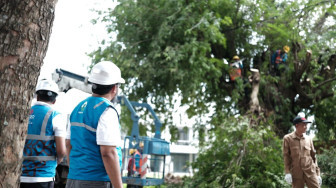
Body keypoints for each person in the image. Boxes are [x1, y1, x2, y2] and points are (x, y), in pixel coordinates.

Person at [65, 61, 124, 188]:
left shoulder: (77, 108)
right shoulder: (106, 111)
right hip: (97, 181)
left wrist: (77, 172)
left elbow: (68, 144)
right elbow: (108, 153)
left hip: (73, 180)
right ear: (114, 88)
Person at [20, 79, 67, 188]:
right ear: (54, 100)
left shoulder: (24, 112)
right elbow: (61, 151)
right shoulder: (56, 116)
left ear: (37, 96)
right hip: (43, 176)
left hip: (20, 174)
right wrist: (58, 161)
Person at [282, 115, 322, 188]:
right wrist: (287, 172)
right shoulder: (288, 139)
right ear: (297, 125)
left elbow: (313, 157)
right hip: (296, 174)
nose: (306, 127)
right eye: (303, 125)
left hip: (310, 172)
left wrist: (318, 173)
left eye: (306, 125)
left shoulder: (308, 139)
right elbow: (286, 156)